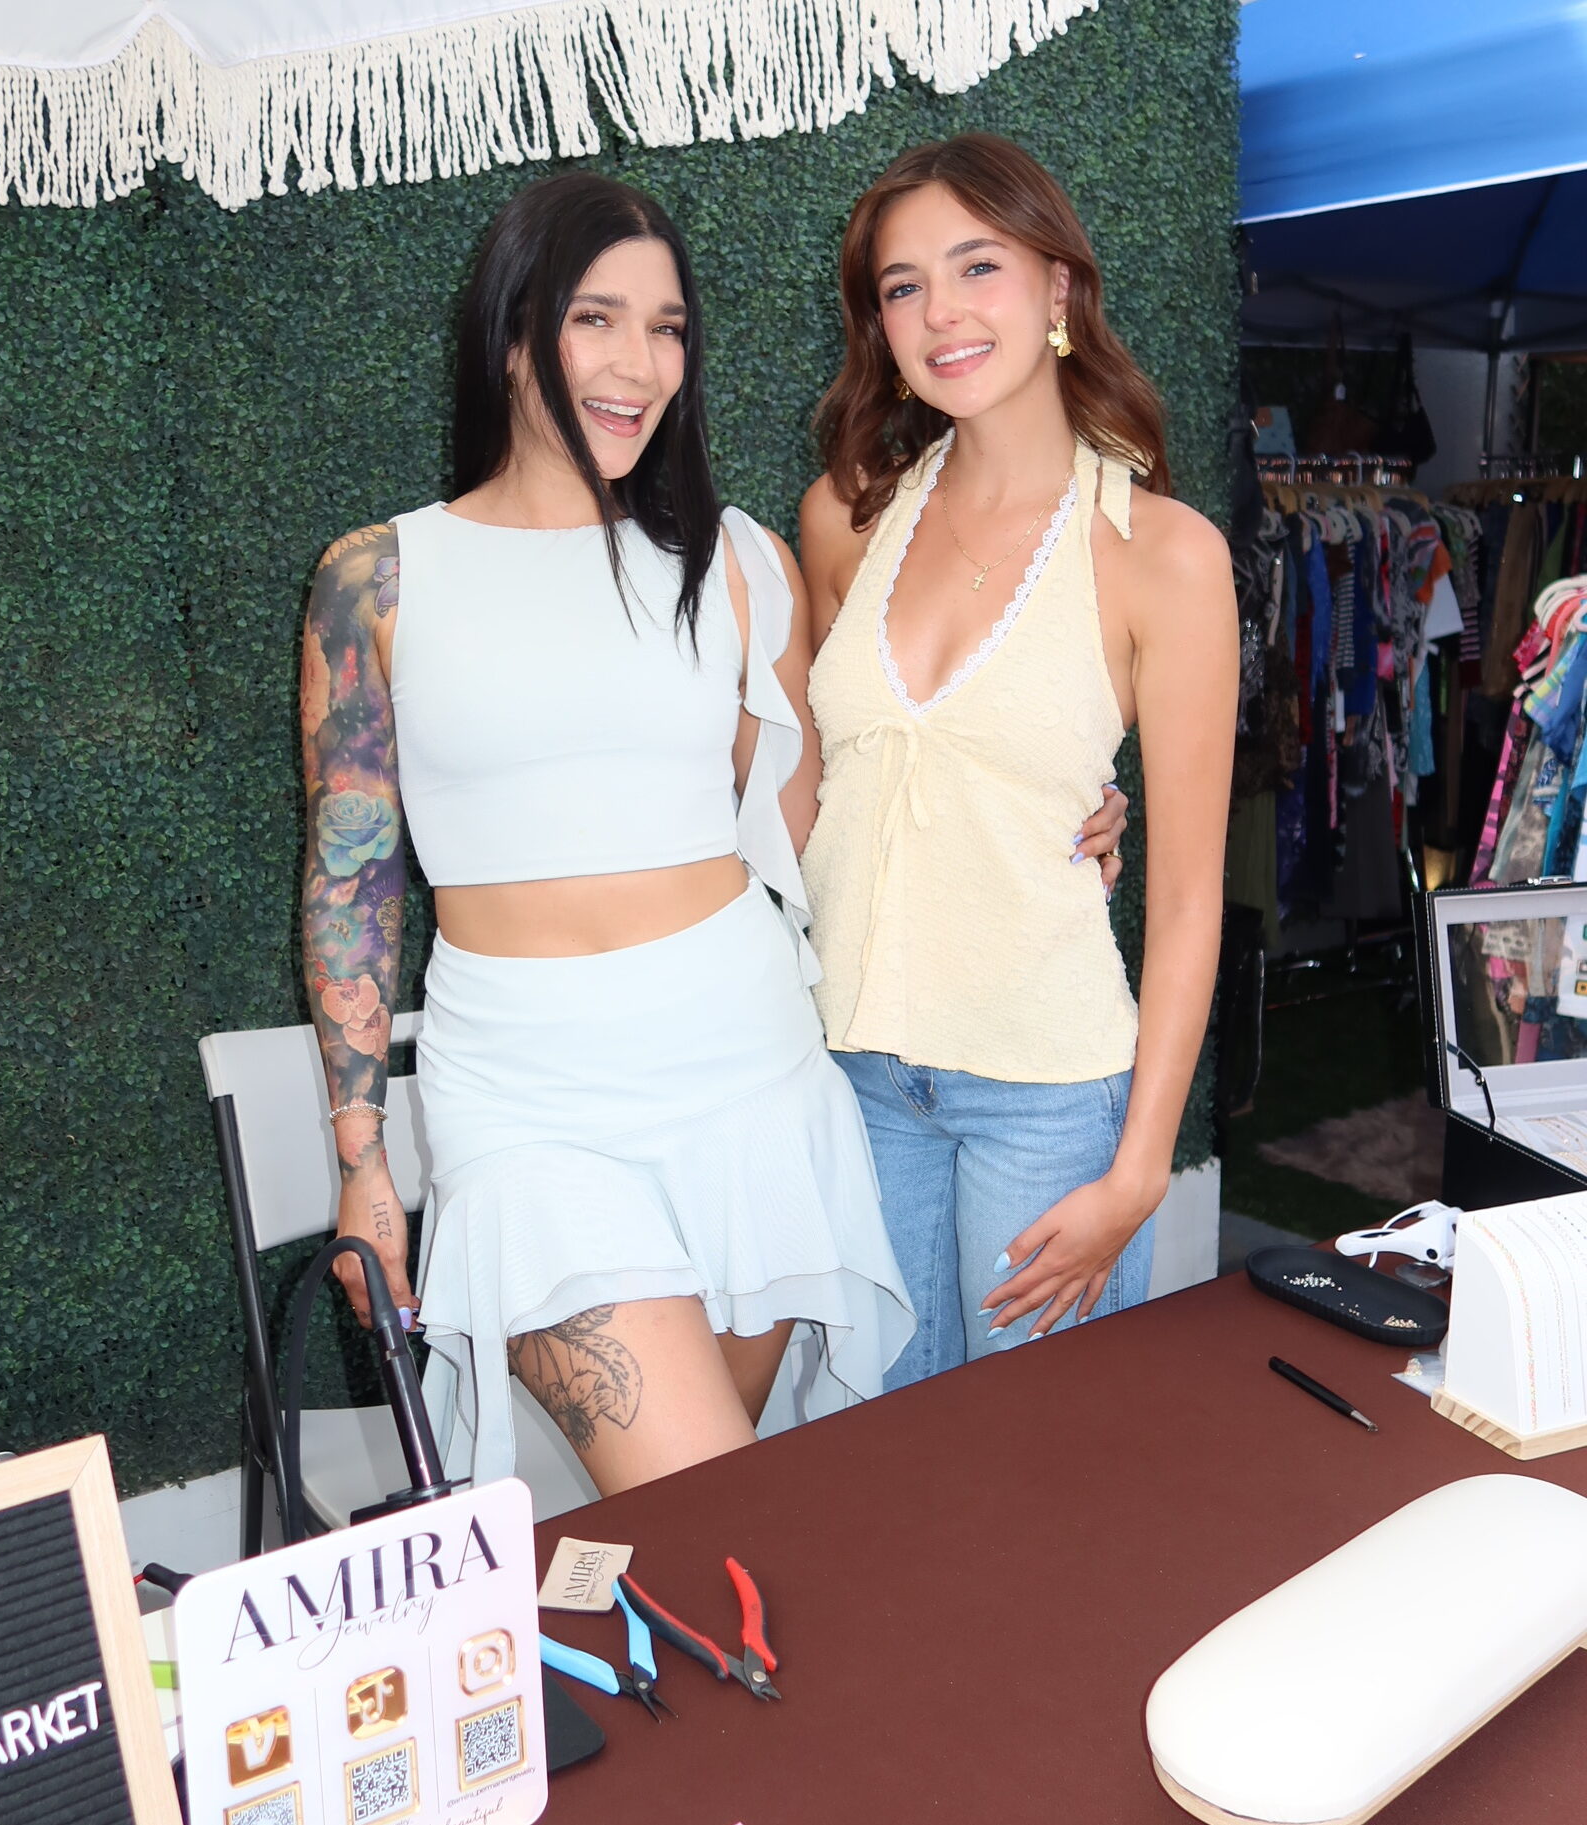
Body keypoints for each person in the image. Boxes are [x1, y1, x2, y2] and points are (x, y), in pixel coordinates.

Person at [298, 171, 924, 1498]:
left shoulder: (737, 560)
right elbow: (349, 886)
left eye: (670, 327)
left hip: (748, 1080)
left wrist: (1040, 822)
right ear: (515, 332)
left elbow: (819, 833)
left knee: (703, 1516)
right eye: (599, 319)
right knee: (708, 1497)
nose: (641, 364)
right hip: (527, 1111)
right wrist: (362, 1164)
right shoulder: (379, 579)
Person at [798, 133, 1237, 1386]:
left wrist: (1139, 1166)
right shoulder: (845, 518)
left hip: (1048, 1100)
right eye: (901, 286)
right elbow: (850, 782)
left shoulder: (1162, 553)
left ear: (1056, 289)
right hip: (853, 1076)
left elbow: (1194, 896)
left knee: (1033, 1495)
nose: (940, 313)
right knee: (866, 1459)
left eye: (977, 266)